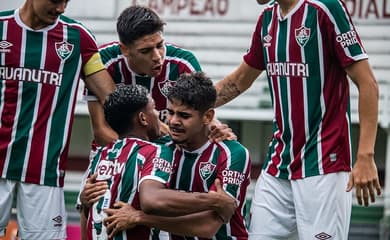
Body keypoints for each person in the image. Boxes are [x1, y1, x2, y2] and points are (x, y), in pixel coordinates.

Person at [213, 0, 382, 239]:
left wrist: (365, 156)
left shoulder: (325, 8)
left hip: (324, 162)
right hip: (279, 163)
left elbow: (368, 84)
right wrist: (191, 104)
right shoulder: (268, 19)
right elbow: (237, 82)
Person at [0, 0, 115, 239]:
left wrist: (160, 125)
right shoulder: (1, 27)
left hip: (45, 171)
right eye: (55, 0)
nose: (62, 8)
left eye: (66, 1)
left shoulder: (78, 38)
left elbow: (112, 98)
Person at [104, 72, 252, 239]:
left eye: (184, 115)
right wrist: (86, 197)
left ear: (208, 117)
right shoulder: (160, 149)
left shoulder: (233, 154)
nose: (173, 121)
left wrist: (140, 217)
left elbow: (207, 226)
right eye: (170, 112)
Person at [85, 5, 203, 146]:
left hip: (167, 157)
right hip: (114, 157)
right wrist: (145, 156)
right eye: (145, 51)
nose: (157, 57)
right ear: (125, 50)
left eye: (159, 46)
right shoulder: (103, 62)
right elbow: (101, 131)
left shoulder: (184, 63)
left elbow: (200, 126)